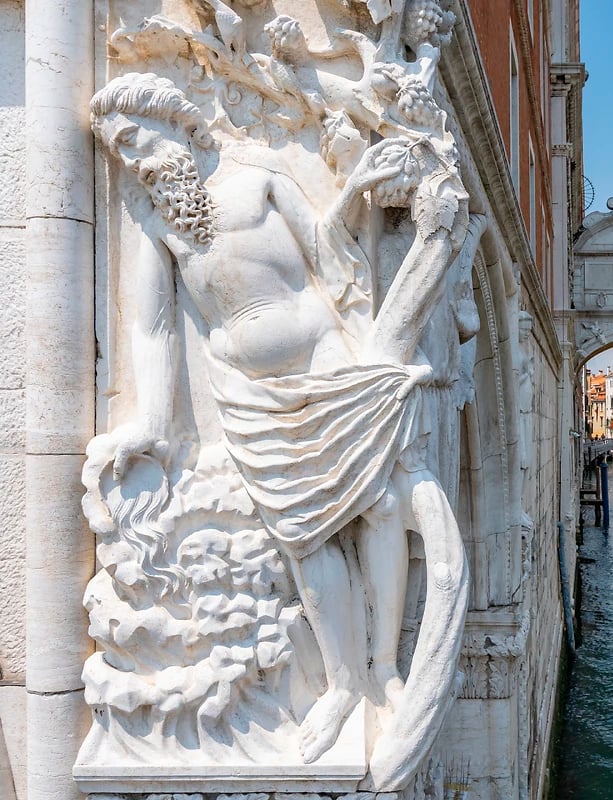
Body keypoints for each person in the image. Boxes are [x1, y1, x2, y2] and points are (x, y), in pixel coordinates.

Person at [90, 72, 470, 767]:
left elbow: (328, 254)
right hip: (246, 392)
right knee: (302, 535)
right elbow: (151, 330)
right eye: (120, 150)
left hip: (324, 357)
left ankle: (383, 665)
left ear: (176, 121)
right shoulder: (156, 221)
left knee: (379, 504)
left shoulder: (258, 178)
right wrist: (150, 418)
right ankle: (341, 684)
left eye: (135, 138)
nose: (134, 158)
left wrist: (355, 192)